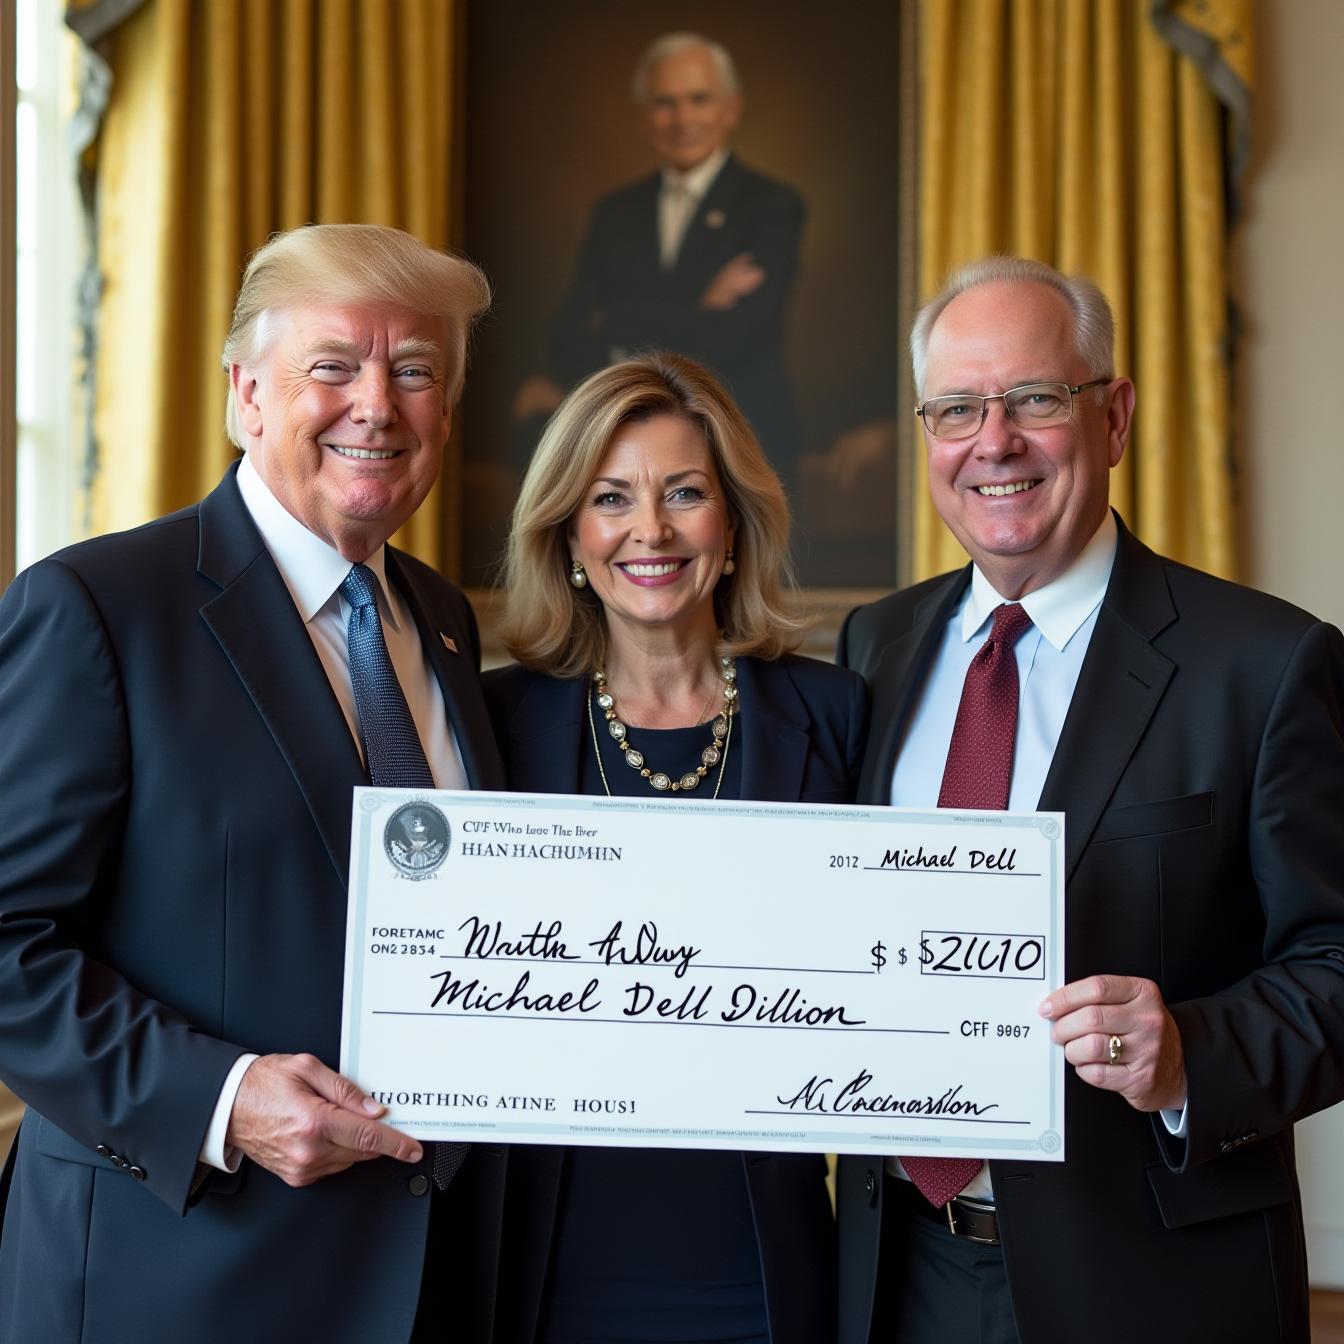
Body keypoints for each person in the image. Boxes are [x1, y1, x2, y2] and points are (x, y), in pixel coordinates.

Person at [0, 224, 507, 1342]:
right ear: (247, 396)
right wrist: (223, 1101)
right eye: (333, 365)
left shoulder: (443, 621)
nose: (376, 405)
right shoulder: (98, 608)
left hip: (423, 1277)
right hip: (175, 1279)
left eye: (415, 372)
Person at [834, 256, 1344, 1344]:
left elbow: (1337, 962)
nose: (994, 442)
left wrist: (1188, 1052)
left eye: (1034, 399)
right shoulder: (875, 646)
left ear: (1113, 418)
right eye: (957, 409)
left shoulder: (1265, 664)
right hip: (899, 1274)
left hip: (1153, 1285)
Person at [485, 352, 866, 1344]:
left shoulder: (837, 715)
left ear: (732, 527)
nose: (649, 529)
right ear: (570, 535)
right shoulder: (494, 724)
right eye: (611, 498)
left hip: (764, 1258)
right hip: (546, 1262)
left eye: (685, 493)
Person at [522, 33, 806, 492]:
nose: (683, 118)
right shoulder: (614, 212)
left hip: (744, 438)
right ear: (642, 117)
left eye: (699, 99)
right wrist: (698, 307)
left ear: (731, 108)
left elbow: (742, 333)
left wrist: (615, 319)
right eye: (665, 103)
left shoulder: (772, 206)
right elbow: (568, 336)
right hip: (625, 441)